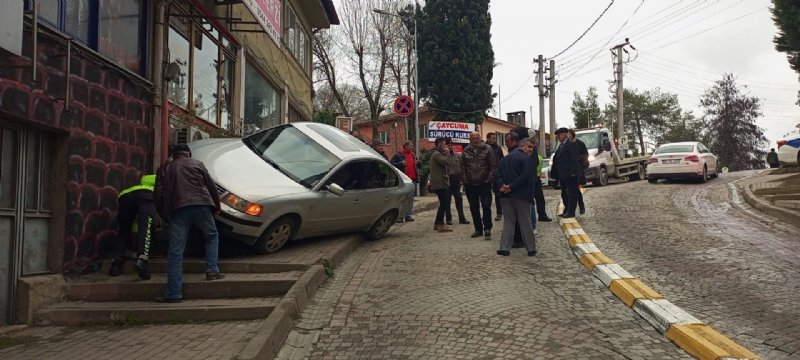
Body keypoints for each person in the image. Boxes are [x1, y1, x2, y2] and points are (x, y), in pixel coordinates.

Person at [154, 143, 224, 303]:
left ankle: (173, 293)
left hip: (178, 210)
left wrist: (164, 215)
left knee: (175, 253)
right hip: (202, 206)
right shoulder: (197, 164)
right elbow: (212, 188)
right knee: (211, 236)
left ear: (173, 155)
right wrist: (216, 208)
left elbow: (158, 195)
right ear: (188, 154)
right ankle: (212, 270)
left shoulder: (165, 168)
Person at [495, 133, 537, 257]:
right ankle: (531, 248)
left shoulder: (504, 159)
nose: (530, 150)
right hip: (521, 195)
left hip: (505, 196)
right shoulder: (526, 159)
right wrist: (511, 187)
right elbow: (526, 177)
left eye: (532, 148)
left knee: (508, 222)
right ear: (521, 146)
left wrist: (502, 186)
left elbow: (496, 174)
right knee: (525, 222)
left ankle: (504, 248)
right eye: (529, 147)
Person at [110, 174, 157, 280]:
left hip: (124, 197)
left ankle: (116, 264)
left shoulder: (138, 186)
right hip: (146, 196)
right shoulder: (159, 185)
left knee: (123, 230)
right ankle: (142, 260)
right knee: (145, 226)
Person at [462, 132, 498, 240]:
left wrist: (489, 180)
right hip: (471, 185)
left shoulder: (488, 149)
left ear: (480, 138)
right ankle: (478, 229)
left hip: (484, 184)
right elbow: (462, 167)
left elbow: (493, 166)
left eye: (477, 138)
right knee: (474, 208)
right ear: (470, 140)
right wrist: (465, 181)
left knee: (486, 206)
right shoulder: (465, 151)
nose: (475, 140)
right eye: (473, 138)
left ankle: (487, 228)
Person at [552, 128, 580, 218]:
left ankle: (571, 211)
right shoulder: (561, 146)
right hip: (563, 174)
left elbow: (574, 159)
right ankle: (567, 209)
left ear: (565, 134)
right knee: (564, 193)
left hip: (570, 173)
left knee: (571, 193)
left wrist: (573, 172)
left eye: (559, 135)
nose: (558, 137)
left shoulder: (571, 144)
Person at [391, 141, 420, 222]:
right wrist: (401, 163)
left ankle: (408, 215)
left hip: (412, 180)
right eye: (410, 145)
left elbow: (419, 166)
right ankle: (400, 217)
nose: (412, 147)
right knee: (402, 198)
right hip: (403, 180)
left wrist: (418, 163)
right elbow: (391, 164)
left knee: (410, 198)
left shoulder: (413, 155)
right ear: (406, 146)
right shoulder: (398, 155)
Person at [429, 138, 453, 233]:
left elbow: (449, 162)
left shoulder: (439, 154)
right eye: (444, 144)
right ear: (439, 145)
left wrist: (447, 154)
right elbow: (446, 162)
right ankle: (439, 223)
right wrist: (447, 153)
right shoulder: (436, 154)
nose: (445, 146)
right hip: (440, 183)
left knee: (444, 202)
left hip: (442, 182)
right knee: (444, 203)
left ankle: (437, 223)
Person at [444, 139, 470, 225]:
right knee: (447, 200)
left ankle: (462, 218)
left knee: (459, 199)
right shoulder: (444, 156)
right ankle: (448, 219)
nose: (450, 146)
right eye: (448, 145)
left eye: (451, 145)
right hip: (447, 181)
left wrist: (462, 179)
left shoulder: (457, 156)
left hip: (456, 180)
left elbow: (462, 168)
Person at [569, 129, 589, 214]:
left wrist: (579, 161)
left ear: (573, 134)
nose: (568, 136)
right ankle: (571, 208)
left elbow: (585, 155)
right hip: (569, 169)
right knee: (571, 190)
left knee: (576, 188)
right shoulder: (567, 144)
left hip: (578, 168)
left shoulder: (580, 143)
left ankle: (581, 205)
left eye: (569, 134)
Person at [486, 133, 505, 221]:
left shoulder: (498, 148)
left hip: (497, 173)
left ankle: (499, 213)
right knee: (486, 195)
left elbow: (502, 160)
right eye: (493, 138)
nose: (495, 140)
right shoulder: (484, 147)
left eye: (495, 138)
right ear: (488, 139)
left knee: (498, 194)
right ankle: (487, 214)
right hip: (487, 174)